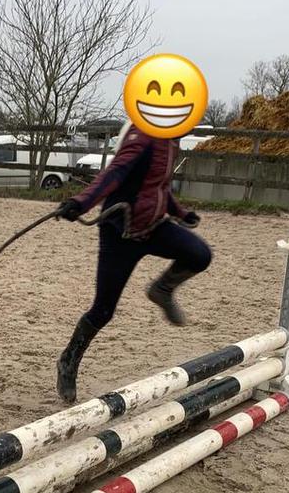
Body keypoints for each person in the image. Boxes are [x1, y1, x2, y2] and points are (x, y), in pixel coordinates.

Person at [54, 122, 212, 403]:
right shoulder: (145, 137)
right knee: (103, 310)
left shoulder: (171, 141)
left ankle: (162, 290)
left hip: (153, 228)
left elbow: (158, 186)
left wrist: (180, 213)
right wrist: (80, 202)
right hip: (120, 233)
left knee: (199, 255)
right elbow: (114, 174)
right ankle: (68, 360)